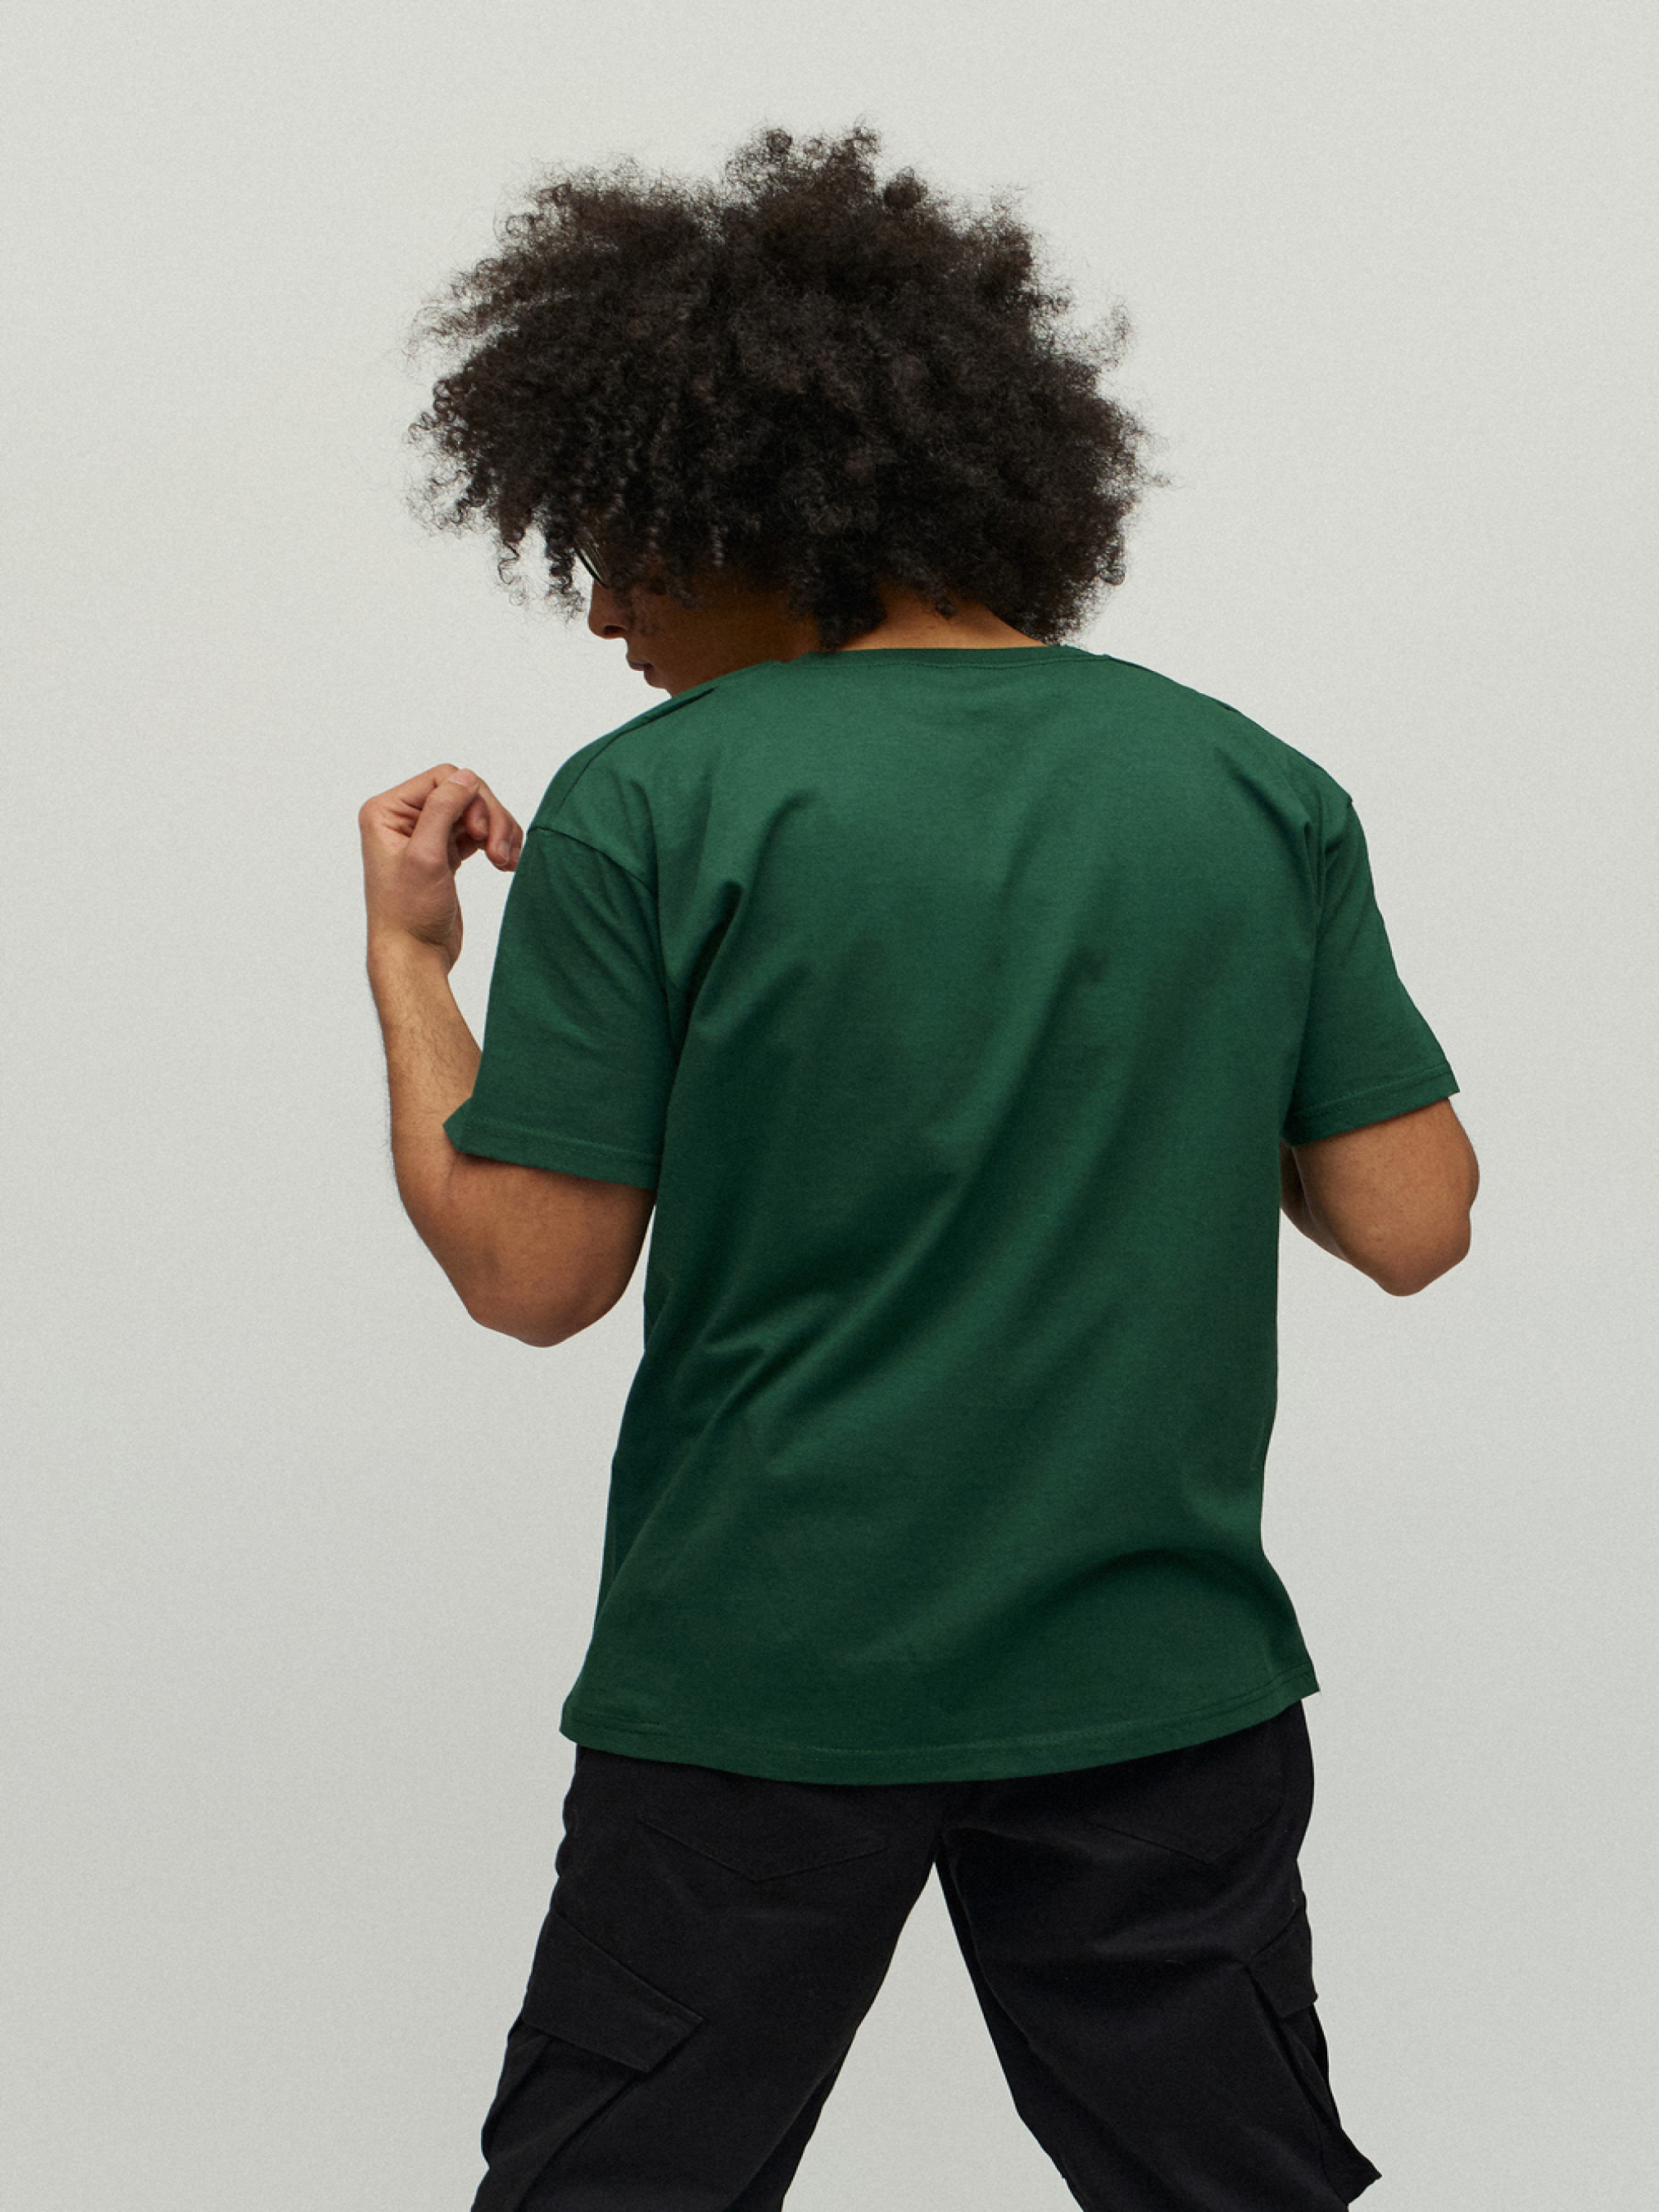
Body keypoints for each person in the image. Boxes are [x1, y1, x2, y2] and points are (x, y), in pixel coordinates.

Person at [358, 126, 1478, 2212]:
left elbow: (528, 1274)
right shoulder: (1248, 785)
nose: (601, 610)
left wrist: (414, 970)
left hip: (757, 1678)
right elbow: (1410, 1224)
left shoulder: (649, 804)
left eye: (622, 541)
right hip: (1156, 1675)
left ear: (758, 501)